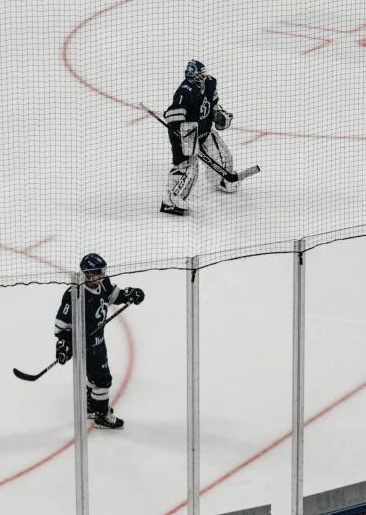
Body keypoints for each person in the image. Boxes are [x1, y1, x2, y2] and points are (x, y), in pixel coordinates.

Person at [54, 253, 145, 430]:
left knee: (95, 376)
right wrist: (64, 345)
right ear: (87, 274)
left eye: (102, 272)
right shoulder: (75, 294)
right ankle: (101, 415)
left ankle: (90, 404)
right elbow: (61, 326)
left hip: (98, 341)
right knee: (103, 380)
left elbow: (114, 295)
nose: (102, 276)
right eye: (98, 273)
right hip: (84, 346)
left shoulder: (103, 284)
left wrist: (130, 294)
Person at [160, 60, 236, 216]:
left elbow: (213, 104)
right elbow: (174, 116)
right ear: (191, 75)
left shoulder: (210, 83)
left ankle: (221, 180)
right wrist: (182, 136)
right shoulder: (184, 92)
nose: (202, 77)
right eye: (199, 74)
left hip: (205, 130)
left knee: (223, 157)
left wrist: (218, 115)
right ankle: (170, 201)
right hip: (185, 135)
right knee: (188, 168)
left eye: (203, 73)